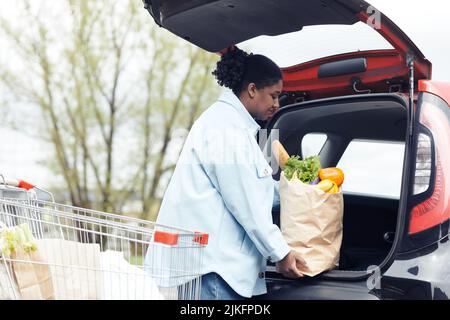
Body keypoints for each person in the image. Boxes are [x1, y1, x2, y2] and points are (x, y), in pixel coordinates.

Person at [153, 47, 307, 300]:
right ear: (252, 90)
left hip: (213, 269)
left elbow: (259, 189)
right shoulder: (226, 130)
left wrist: (300, 191)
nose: (277, 104)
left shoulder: (233, 127)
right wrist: (281, 253)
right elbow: (246, 203)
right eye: (274, 96)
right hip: (214, 272)